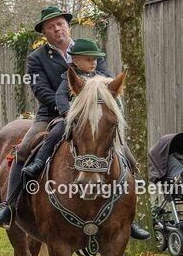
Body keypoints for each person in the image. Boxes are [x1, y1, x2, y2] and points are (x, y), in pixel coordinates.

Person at [8, 38, 149, 240]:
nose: (93, 63)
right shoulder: (65, 74)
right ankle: (13, 200)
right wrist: (69, 114)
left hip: (92, 121)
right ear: (76, 61)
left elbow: (113, 97)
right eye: (89, 59)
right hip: (64, 117)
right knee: (49, 136)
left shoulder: (101, 76)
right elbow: (58, 97)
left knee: (122, 150)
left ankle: (129, 216)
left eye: (95, 60)